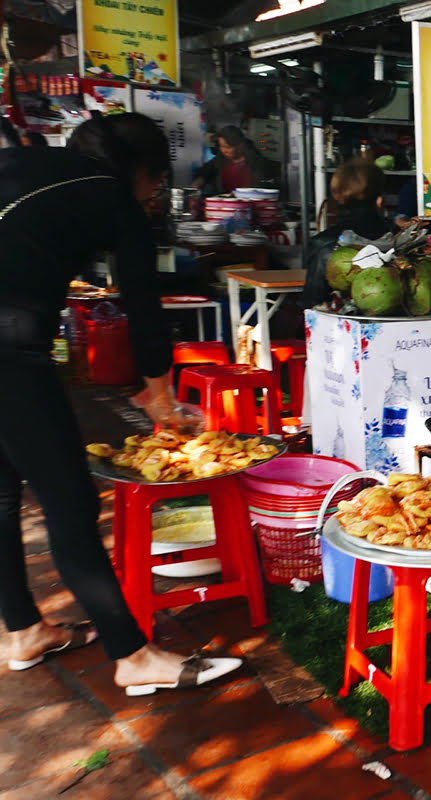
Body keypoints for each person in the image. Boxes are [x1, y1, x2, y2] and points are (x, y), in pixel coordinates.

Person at [0, 113, 241, 693]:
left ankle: (22, 632)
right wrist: (161, 397)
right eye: (157, 182)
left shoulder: (23, 165)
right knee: (71, 501)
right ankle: (132, 655)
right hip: (8, 350)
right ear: (140, 172)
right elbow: (144, 306)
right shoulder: (113, 197)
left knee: (4, 493)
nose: (155, 194)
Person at [301, 158, 394, 308]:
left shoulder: (323, 244)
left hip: (339, 326)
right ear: (380, 195)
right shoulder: (402, 240)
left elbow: (312, 302)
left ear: (338, 195)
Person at [191, 125, 270, 194]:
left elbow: (259, 187)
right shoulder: (221, 159)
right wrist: (199, 181)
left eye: (228, 147)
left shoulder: (256, 162)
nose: (224, 151)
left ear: (241, 145)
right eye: (221, 146)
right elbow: (207, 170)